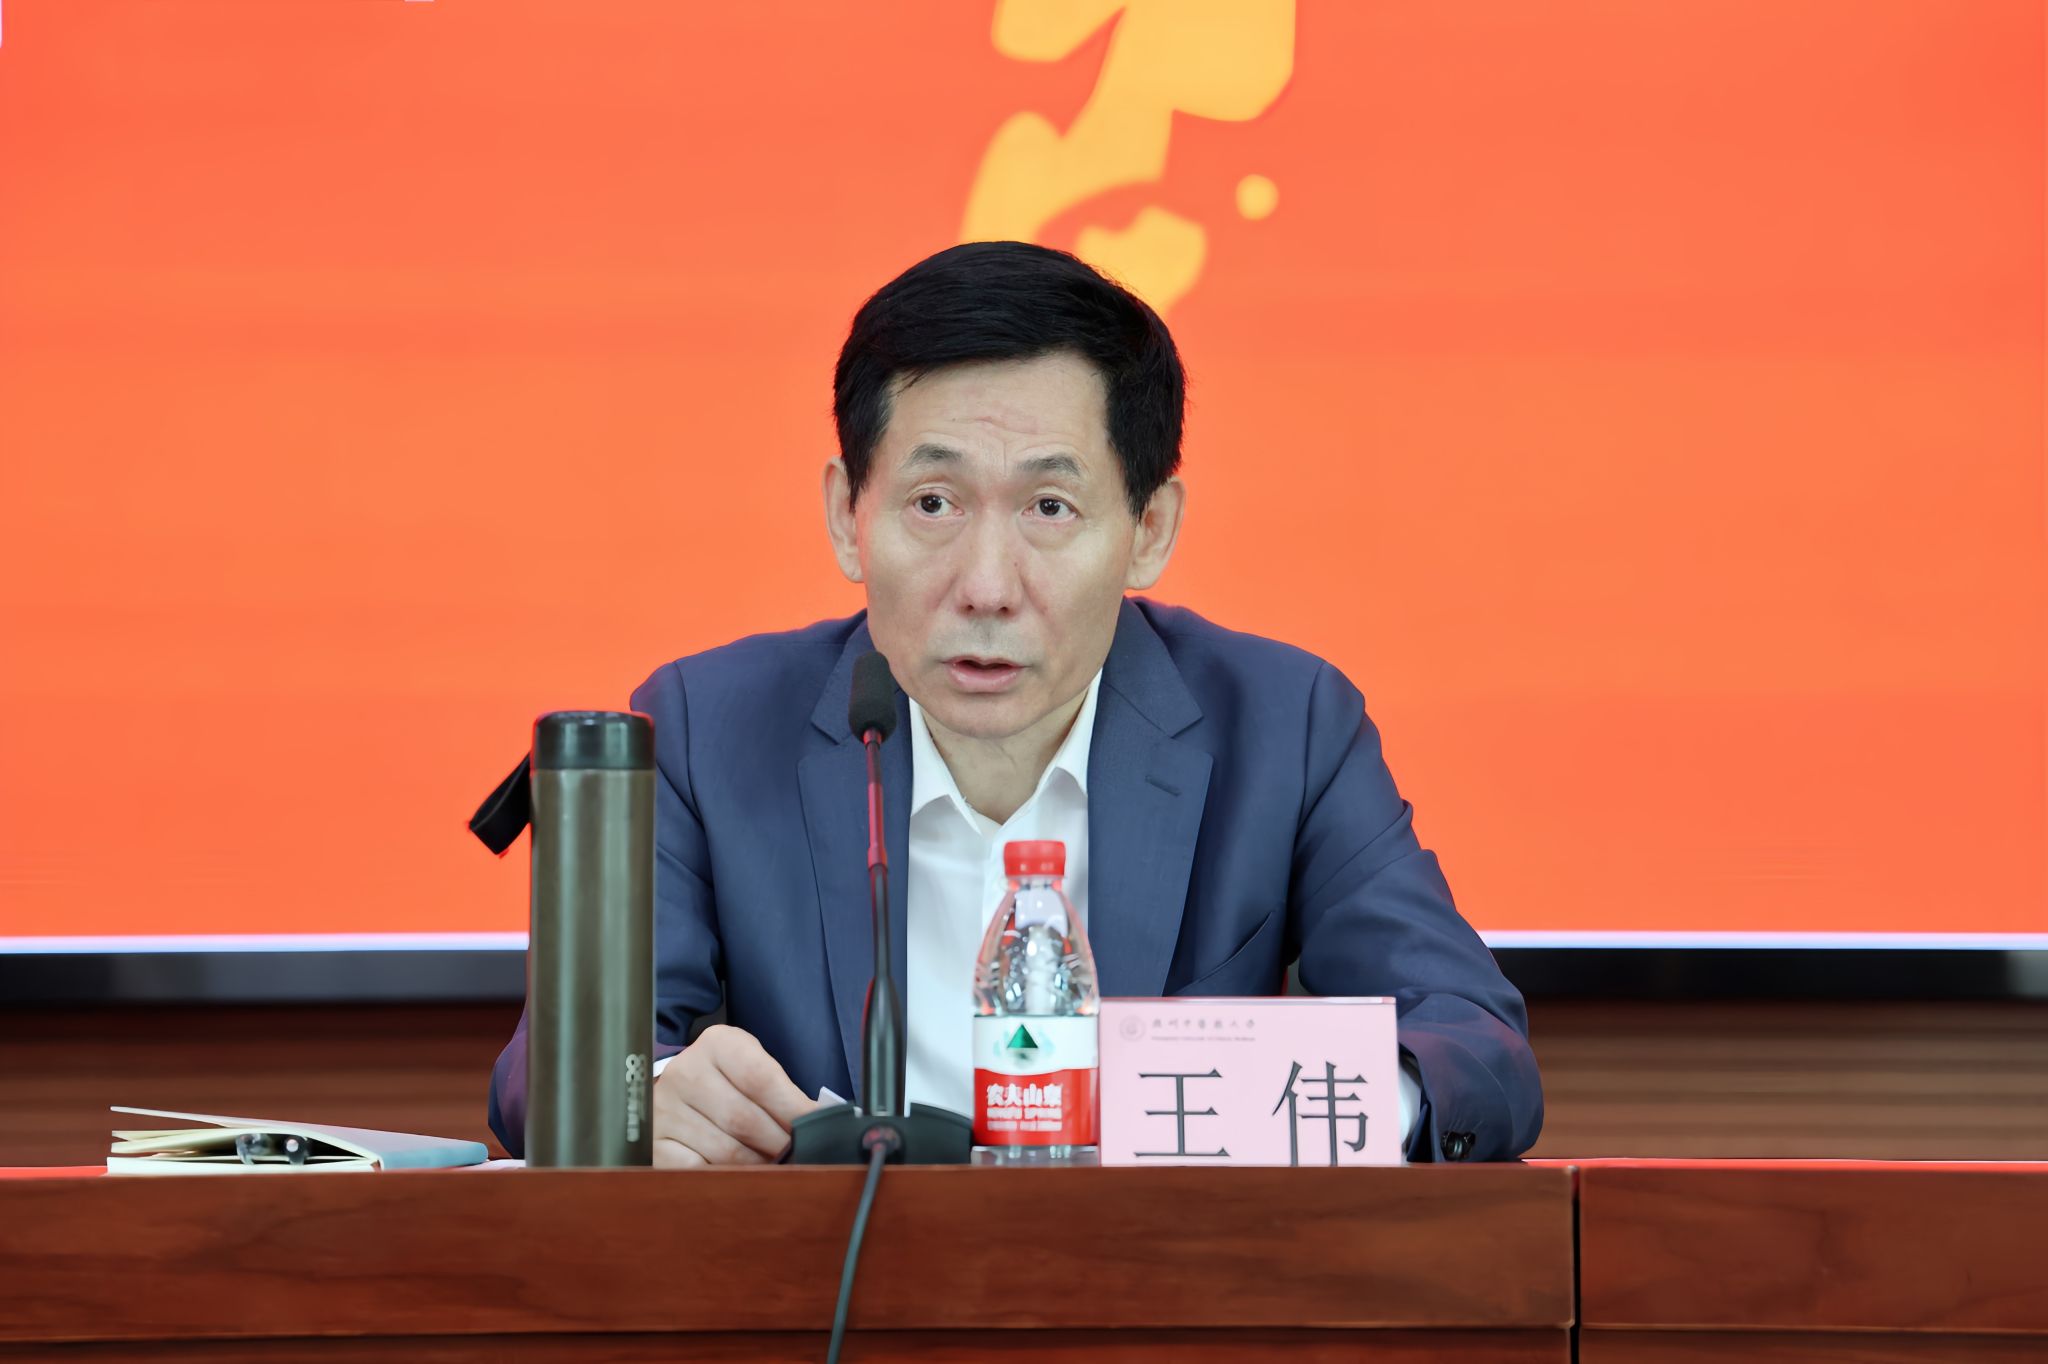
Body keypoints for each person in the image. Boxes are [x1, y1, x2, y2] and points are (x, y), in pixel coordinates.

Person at [487, 241, 1542, 1166]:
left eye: (1049, 506)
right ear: (848, 516)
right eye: (932, 502)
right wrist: (647, 1096)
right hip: (828, 1295)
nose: (986, 585)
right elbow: (545, 1076)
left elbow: (1474, 1048)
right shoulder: (705, 727)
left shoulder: (1285, 723)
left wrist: (1277, 1107)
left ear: (1149, 529)